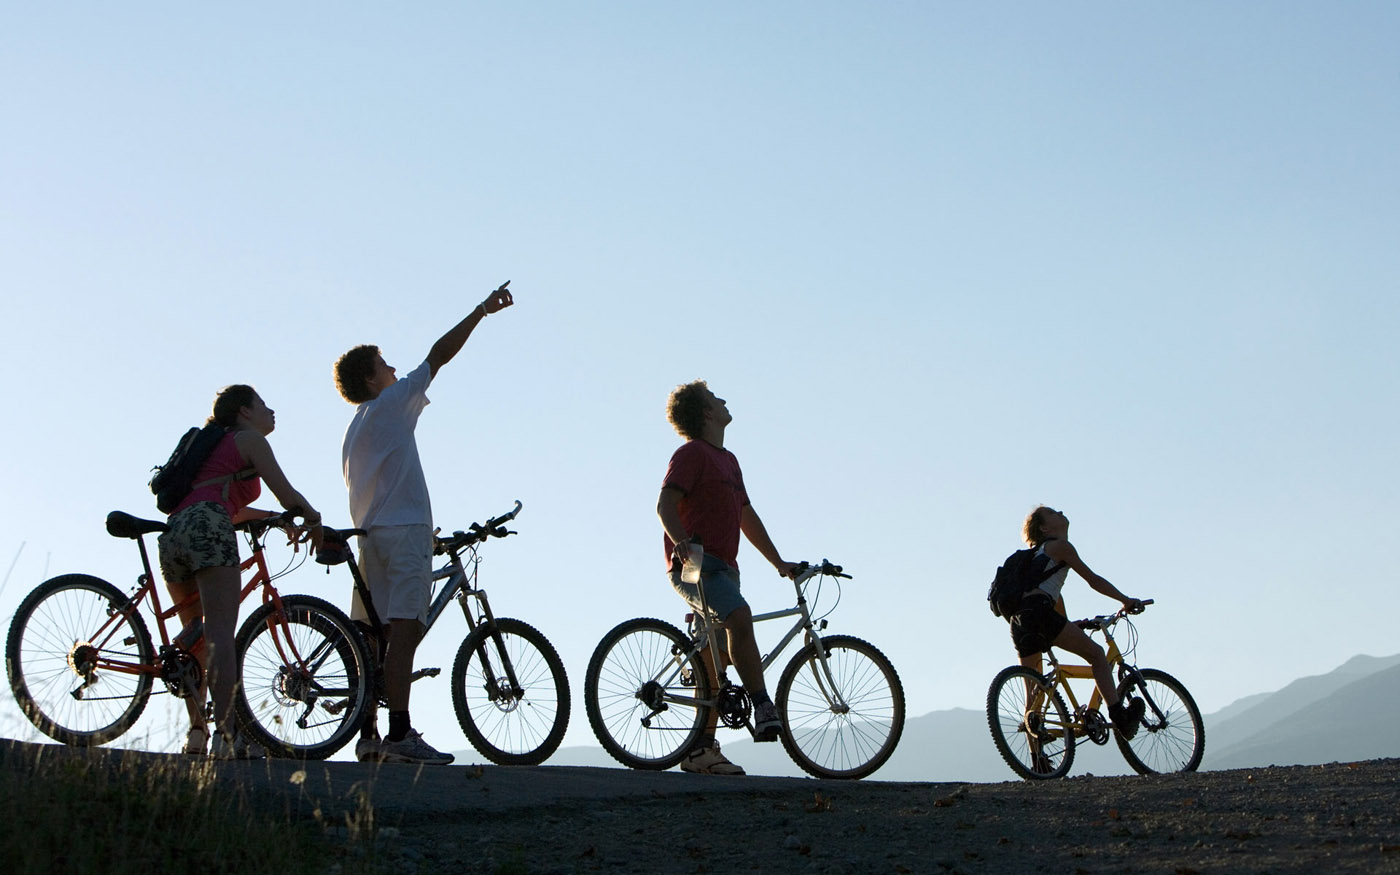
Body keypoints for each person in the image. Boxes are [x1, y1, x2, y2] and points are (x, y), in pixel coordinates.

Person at [333, 282, 515, 765]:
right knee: (404, 634)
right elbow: (438, 356)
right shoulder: (390, 404)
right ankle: (400, 735)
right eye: (385, 365)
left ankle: (368, 732)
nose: (394, 370)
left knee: (372, 640)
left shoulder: (357, 427)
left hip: (372, 538)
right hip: (403, 534)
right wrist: (480, 311)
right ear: (372, 381)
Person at [157, 384, 323, 758]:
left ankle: (197, 733)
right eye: (263, 404)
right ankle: (228, 735)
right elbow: (287, 493)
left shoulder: (211, 447)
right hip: (209, 527)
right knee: (218, 634)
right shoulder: (248, 440)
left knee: (195, 641)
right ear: (245, 412)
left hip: (174, 532)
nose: (271, 410)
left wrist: (274, 520)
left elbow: (221, 501)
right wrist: (314, 518)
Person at [657, 380, 797, 776]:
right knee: (740, 617)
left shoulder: (729, 460)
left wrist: (778, 562)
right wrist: (680, 541)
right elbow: (664, 503)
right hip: (695, 566)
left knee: (711, 657)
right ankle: (762, 703)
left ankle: (700, 749)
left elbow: (745, 516)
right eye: (716, 398)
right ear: (705, 413)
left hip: (726, 569)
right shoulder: (691, 454)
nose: (723, 400)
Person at [1010, 505, 1146, 740]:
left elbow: (1052, 598)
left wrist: (1070, 625)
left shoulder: (1035, 561)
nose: (1060, 512)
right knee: (1097, 655)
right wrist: (1125, 600)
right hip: (1041, 615)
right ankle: (1120, 717)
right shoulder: (1060, 547)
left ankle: (1038, 763)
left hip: (1019, 622)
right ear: (1044, 527)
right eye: (1053, 513)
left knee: (1034, 697)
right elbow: (1093, 580)